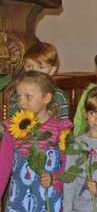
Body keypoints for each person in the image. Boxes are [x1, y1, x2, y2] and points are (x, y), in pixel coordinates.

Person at [0, 71, 73, 211]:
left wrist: (55, 179)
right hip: (17, 201)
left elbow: (69, 166)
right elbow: (2, 168)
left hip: (49, 201)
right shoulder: (12, 129)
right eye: (19, 96)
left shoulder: (60, 129)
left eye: (28, 97)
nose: (21, 102)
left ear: (46, 98)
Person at [7, 42, 68, 121]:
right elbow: (12, 123)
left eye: (41, 67)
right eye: (29, 66)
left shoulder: (58, 94)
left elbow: (65, 123)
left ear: (52, 70)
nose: (34, 71)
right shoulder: (18, 94)